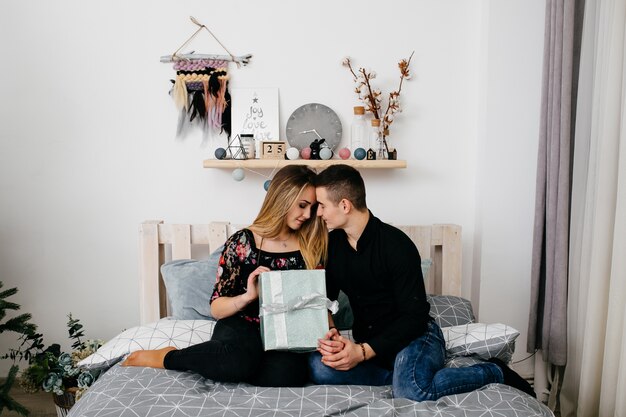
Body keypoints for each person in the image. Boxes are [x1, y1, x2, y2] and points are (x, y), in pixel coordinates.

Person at [308, 164, 535, 400]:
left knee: (413, 390)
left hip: (415, 337)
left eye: (322, 206)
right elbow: (325, 298)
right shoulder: (332, 245)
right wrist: (333, 335)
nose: (319, 213)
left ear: (344, 205)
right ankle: (399, 378)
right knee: (318, 367)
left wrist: (363, 352)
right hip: (372, 345)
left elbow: (414, 317)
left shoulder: (397, 245)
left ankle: (493, 371)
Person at [123, 165, 327, 387]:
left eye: (312, 208)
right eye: (302, 206)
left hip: (284, 332)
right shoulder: (243, 242)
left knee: (289, 375)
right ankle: (168, 356)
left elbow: (318, 300)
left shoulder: (311, 244)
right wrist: (248, 296)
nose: (307, 215)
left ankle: (240, 363)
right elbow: (216, 308)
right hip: (240, 324)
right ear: (282, 198)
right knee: (238, 361)